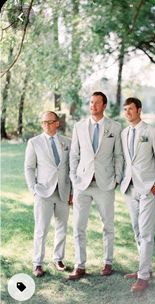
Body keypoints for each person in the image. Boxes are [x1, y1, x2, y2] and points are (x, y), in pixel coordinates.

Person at [68, 91, 123, 280]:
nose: (93, 106)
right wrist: (73, 178)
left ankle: (107, 262)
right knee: (78, 226)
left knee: (107, 225)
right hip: (82, 184)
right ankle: (79, 265)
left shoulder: (115, 127)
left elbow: (118, 155)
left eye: (97, 103)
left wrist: (117, 178)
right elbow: (74, 154)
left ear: (104, 105)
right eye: (91, 102)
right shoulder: (79, 126)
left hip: (105, 183)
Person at [120, 97, 155, 292]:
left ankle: (143, 276)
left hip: (148, 188)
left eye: (131, 109)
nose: (127, 112)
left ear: (139, 110)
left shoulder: (151, 131)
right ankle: (144, 268)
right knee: (137, 229)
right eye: (125, 109)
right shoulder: (123, 133)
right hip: (130, 188)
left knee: (146, 232)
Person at [24, 111, 72, 277]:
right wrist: (33, 189)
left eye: (50, 122)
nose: (46, 125)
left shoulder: (67, 142)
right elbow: (29, 168)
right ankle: (37, 263)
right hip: (43, 192)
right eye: (44, 122)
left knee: (62, 227)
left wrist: (71, 192)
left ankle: (58, 258)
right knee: (41, 229)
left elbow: (70, 169)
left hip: (63, 191)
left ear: (57, 123)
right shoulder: (34, 142)